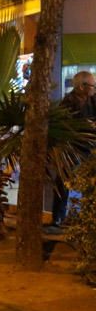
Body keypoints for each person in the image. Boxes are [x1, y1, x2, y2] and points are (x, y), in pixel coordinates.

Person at [52, 70, 96, 227]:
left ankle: (87, 217)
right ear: (82, 86)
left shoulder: (93, 99)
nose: (94, 89)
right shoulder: (68, 102)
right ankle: (58, 218)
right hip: (71, 150)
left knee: (91, 183)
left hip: (90, 149)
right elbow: (64, 127)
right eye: (92, 86)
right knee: (63, 183)